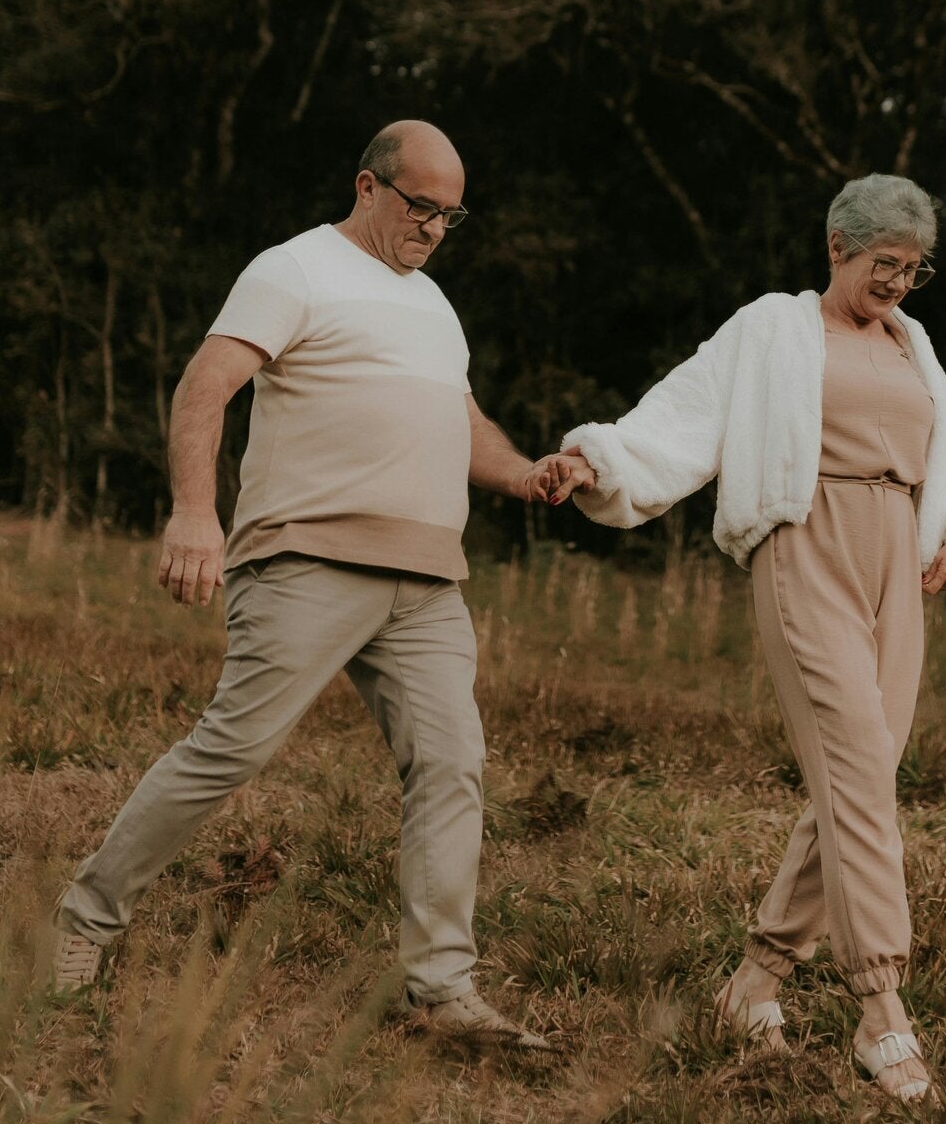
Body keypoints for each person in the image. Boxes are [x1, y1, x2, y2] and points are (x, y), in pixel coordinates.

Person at [53, 121, 576, 1048]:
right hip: (307, 559)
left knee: (452, 764)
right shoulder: (293, 269)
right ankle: (86, 916)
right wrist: (193, 512)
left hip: (426, 581)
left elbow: (463, 426)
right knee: (233, 749)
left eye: (452, 217)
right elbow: (206, 386)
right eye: (420, 208)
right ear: (368, 187)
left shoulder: (435, 306)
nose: (433, 231)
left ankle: (441, 991)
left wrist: (525, 471)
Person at [550, 174, 946, 1107]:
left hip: (896, 553)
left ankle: (755, 981)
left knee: (867, 772)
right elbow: (681, 415)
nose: (899, 285)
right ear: (838, 244)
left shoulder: (911, 345)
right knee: (854, 767)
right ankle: (881, 1009)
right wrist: (595, 459)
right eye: (887, 264)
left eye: (915, 271)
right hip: (807, 541)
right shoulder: (773, 328)